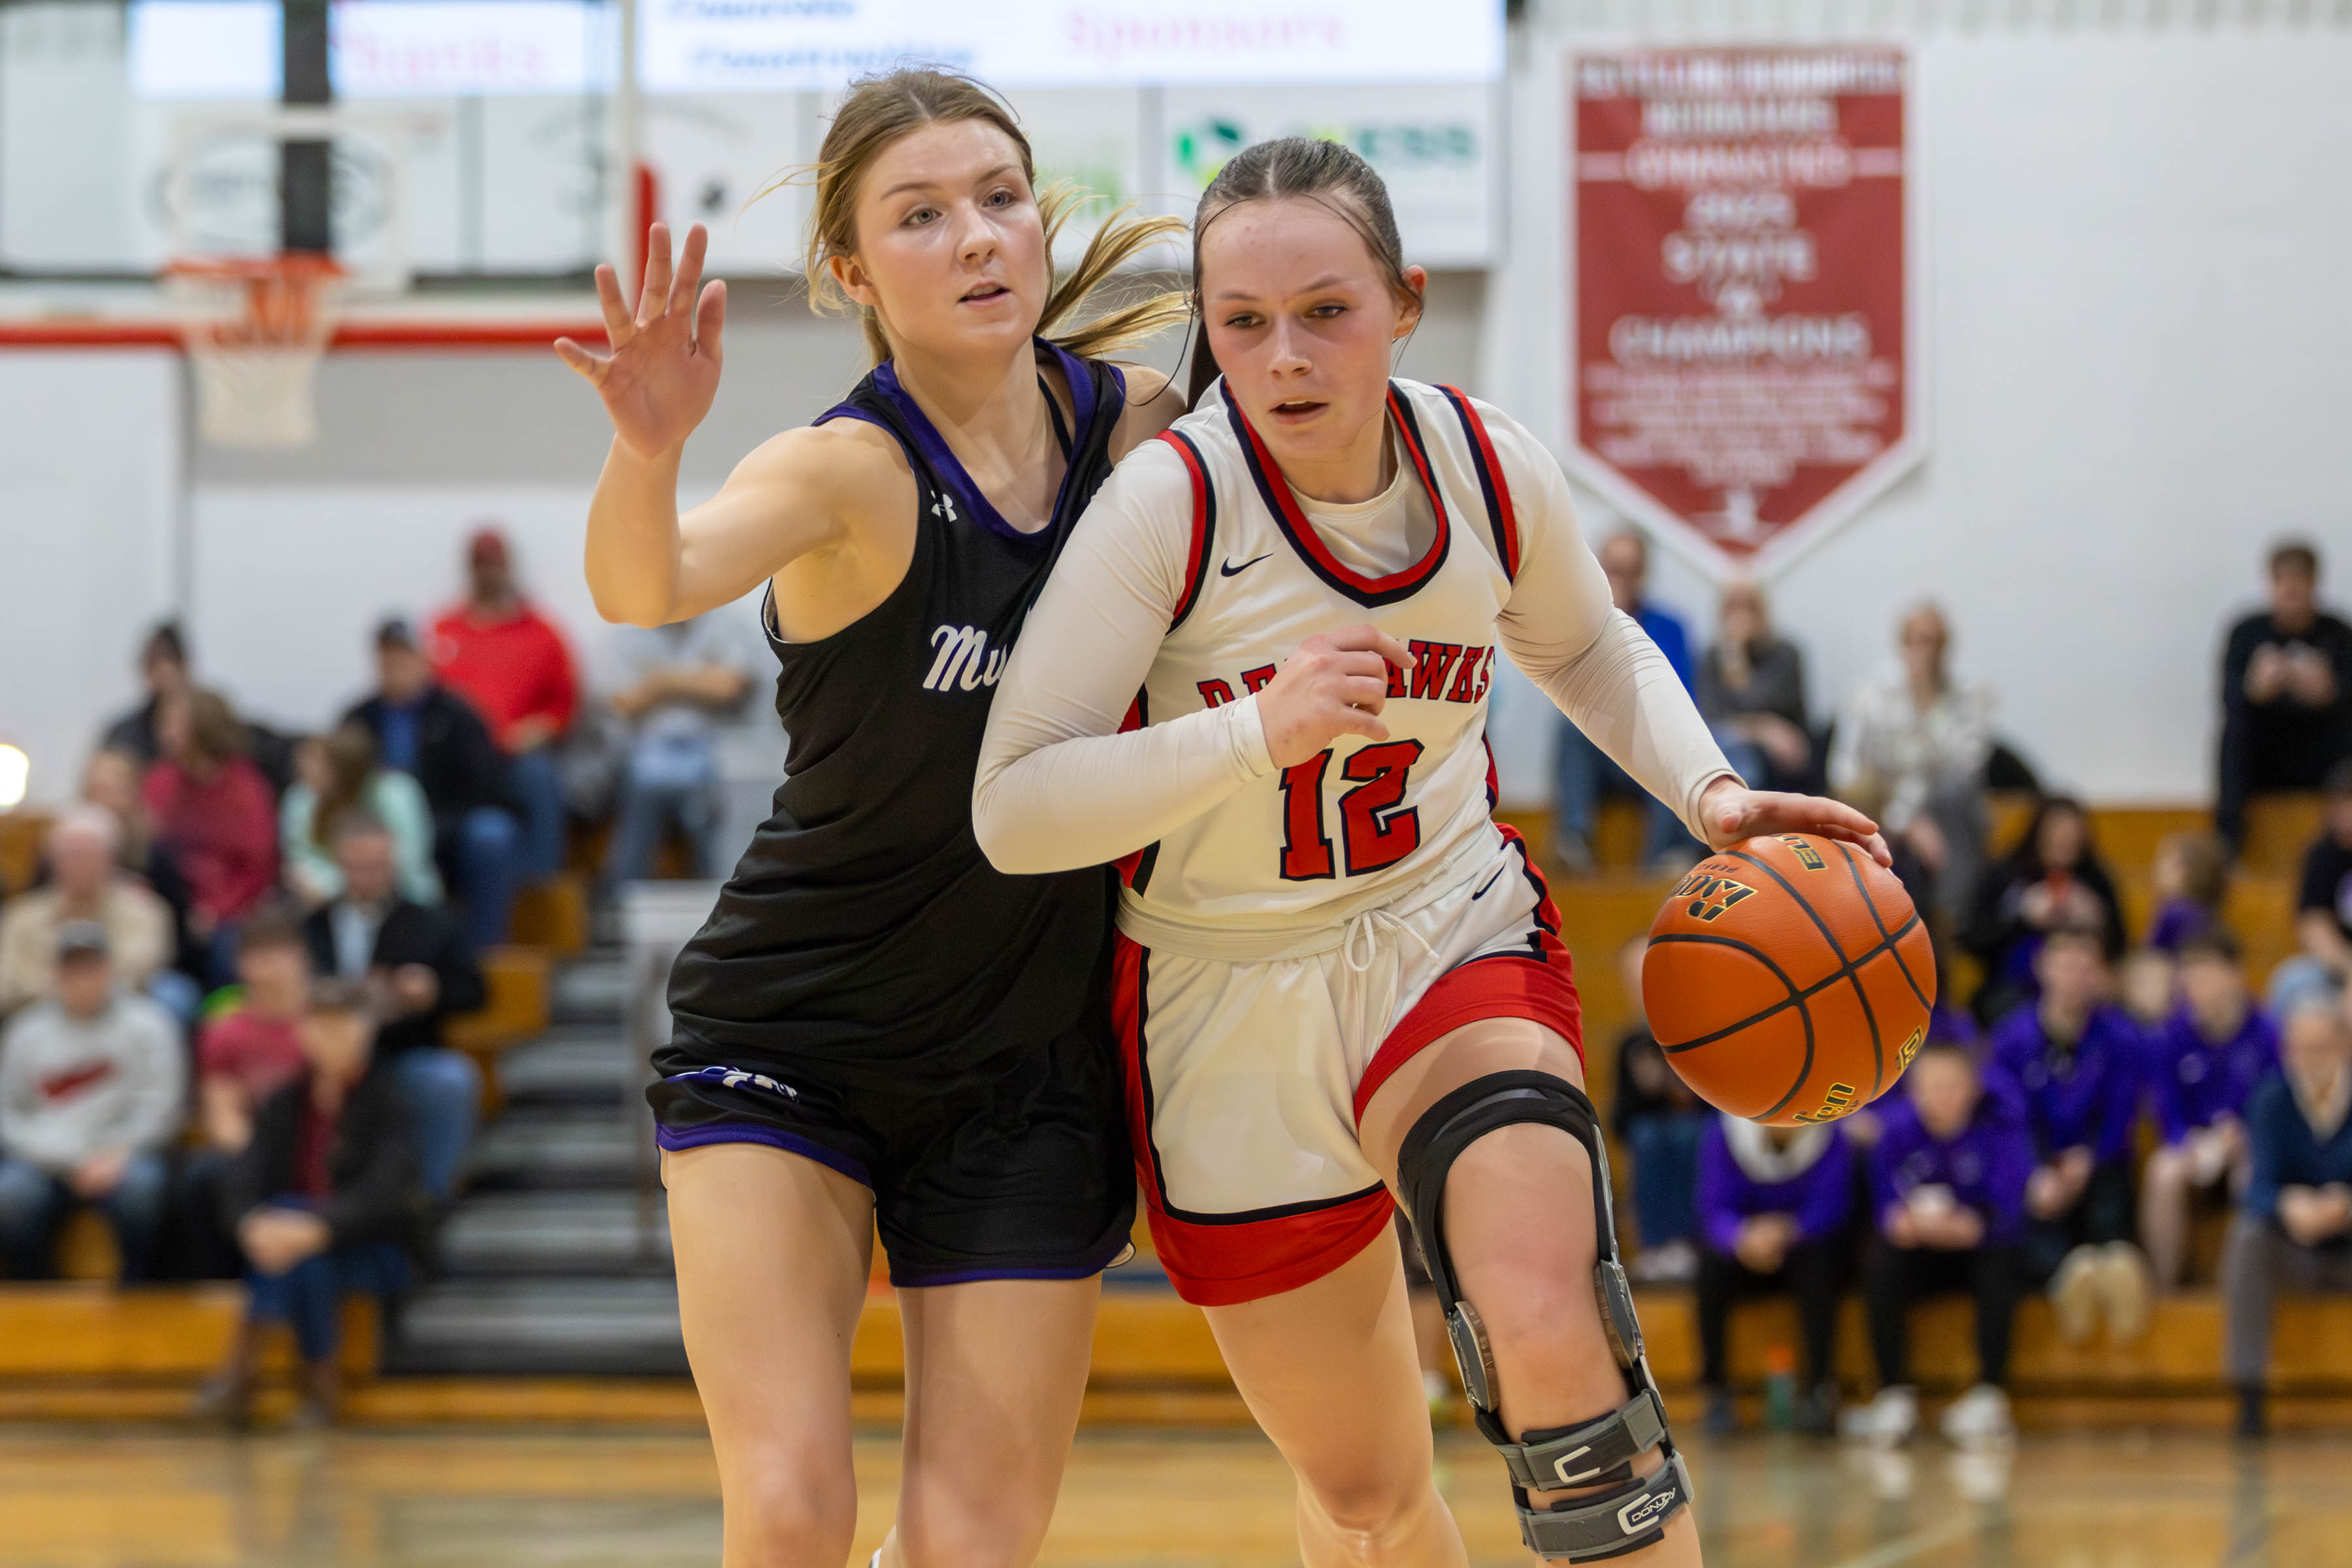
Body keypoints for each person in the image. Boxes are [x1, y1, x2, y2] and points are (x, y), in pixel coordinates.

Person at [973, 135, 1889, 1566]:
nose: (1286, 356)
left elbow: (1584, 645)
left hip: (1443, 932)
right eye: (1244, 322)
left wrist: (1707, 791)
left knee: (1551, 1329)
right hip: (1223, 998)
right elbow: (1017, 805)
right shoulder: (1171, 503)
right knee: (1364, 1497)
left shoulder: (1484, 463)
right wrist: (1253, 733)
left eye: (1326, 311)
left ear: (1404, 303)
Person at [555, 67, 1189, 1567]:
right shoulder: (845, 469)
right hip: (795, 1039)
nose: (975, 236)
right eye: (920, 215)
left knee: (971, 1545)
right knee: (790, 1514)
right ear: (851, 270)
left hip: (1026, 1066)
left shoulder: (1141, 438)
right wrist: (647, 449)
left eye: (999, 197)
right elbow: (646, 586)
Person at [201, 978, 429, 1428]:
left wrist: (316, 1228)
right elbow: (243, 1178)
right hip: (299, 1244)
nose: (332, 1039)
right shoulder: (285, 1101)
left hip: (377, 1247)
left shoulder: (390, 1099)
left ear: (365, 1032)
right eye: (321, 1027)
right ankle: (319, 1389)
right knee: (305, 1260)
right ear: (303, 1034)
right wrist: (251, 1225)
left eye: (343, 1027)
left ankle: (245, 1369)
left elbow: (388, 1196)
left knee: (302, 1248)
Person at [1844, 1038, 2033, 1449]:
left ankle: (1989, 1394)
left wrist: (1975, 1225)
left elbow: (2009, 1210)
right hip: (1920, 1254)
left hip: (1975, 1252)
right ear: (1915, 1091)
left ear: (1973, 1090)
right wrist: (1902, 1222)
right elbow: (1885, 1206)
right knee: (1879, 1261)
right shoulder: (1895, 1133)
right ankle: (1893, 1394)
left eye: (1953, 1086)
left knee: (2004, 1260)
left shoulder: (1998, 1132)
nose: (1944, 1096)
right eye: (1933, 1086)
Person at [300, 812, 485, 1202]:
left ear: (394, 864)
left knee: (449, 1079)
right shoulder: (311, 926)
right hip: (321, 1059)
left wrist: (432, 990)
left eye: (378, 866)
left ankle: (430, 1201)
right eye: (359, 866)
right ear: (339, 864)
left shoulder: (431, 922)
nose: (369, 877)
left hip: (399, 1053)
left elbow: (475, 991)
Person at [1985, 928, 2152, 1344]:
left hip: (2097, 1165)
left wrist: (2089, 1158)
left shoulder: (2121, 1036)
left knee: (2110, 1191)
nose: (2076, 975)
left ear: (2100, 974)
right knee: (2021, 1203)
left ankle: (2110, 1266)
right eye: (2066, 963)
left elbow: (2121, 1114)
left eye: (2086, 965)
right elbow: (2007, 1119)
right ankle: (2067, 1276)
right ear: (2043, 968)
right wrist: (2035, 1171)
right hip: (2038, 1168)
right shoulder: (2010, 1039)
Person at [0, 923, 182, 1281]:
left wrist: (117, 1153)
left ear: (110, 970)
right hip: (45, 1160)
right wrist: (66, 1159)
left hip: (125, 1156)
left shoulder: (149, 1023)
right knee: (10, 1198)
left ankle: (137, 1287)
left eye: (92, 967)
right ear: (55, 975)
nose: (83, 979)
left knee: (143, 1190)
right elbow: (8, 1113)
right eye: (73, 969)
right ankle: (37, 1291)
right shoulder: (26, 1031)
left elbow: (163, 1106)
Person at [344, 619, 518, 951]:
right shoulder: (360, 719)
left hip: (447, 824)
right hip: (375, 828)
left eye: (403, 658)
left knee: (491, 833)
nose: (395, 669)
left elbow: (482, 786)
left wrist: (430, 828)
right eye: (387, 660)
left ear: (423, 660)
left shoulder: (457, 714)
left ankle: (484, 951)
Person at [2221, 1000, 2352, 1437]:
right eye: (2299, 1049)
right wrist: (2287, 1204)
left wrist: (2344, 1207)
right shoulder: (2270, 1100)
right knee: (2247, 1238)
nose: (2310, 1059)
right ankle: (2250, 1394)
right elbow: (2256, 1186)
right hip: (2295, 1248)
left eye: (2320, 1047)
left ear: (2343, 1046)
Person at [427, 527, 581, 887]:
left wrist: (539, 729)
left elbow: (565, 704)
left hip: (513, 757)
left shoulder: (542, 633)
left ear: (508, 566)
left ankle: (543, 884)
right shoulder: (443, 630)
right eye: (480, 563)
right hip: (459, 761)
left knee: (539, 775)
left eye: (494, 563)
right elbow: (426, 697)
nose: (488, 572)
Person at [1829, 602, 1995, 924]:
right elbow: (1844, 771)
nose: (1925, 652)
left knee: (1958, 799)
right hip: (1878, 807)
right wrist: (1904, 822)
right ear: (1902, 643)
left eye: (1933, 641)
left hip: (1939, 810)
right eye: (1916, 640)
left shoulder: (1969, 694)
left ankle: (1952, 921)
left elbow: (1964, 767)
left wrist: (1925, 705)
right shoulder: (1872, 692)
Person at [1549, 527, 1699, 877]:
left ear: (1643, 575)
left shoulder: (1670, 627)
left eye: (1629, 571)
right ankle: (1574, 841)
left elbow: (1678, 700)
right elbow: (1568, 688)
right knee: (1569, 729)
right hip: (1603, 750)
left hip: (1649, 752)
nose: (1620, 579)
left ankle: (1657, 866)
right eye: (1613, 569)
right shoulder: (1582, 622)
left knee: (1673, 746)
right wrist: (1606, 622)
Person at [1691, 1115, 1852, 1436]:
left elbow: (1832, 1206)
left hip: (1800, 1246)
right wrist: (1740, 1237)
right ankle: (1716, 1390)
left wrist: (1789, 1231)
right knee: (1709, 1268)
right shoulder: (1723, 1133)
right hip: (1745, 1249)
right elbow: (1713, 1207)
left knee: (1822, 1265)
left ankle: (1819, 1389)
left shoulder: (1830, 1136)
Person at [178, 910, 316, 1279]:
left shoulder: (323, 1024)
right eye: (258, 956)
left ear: (303, 959)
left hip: (321, 1146)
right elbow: (222, 1114)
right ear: (240, 965)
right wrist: (261, 1159)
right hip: (257, 1149)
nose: (269, 969)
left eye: (279, 954)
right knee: (203, 1176)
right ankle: (220, 1286)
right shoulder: (226, 1032)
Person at [2140, 931, 2278, 1290]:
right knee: (2162, 1173)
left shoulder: (2269, 1034)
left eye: (2204, 971)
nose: (2194, 985)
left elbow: (2277, 1105)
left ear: (2235, 974)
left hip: (2246, 1145)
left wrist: (2244, 1136)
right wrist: (2185, 1142)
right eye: (2187, 974)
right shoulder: (2170, 1036)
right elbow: (2166, 1107)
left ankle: (2240, 1290)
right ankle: (2166, 1289)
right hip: (2193, 1144)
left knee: (2253, 1175)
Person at [2215, 541, 2352, 855]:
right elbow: (2228, 699)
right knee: (2234, 732)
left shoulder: (2338, 634)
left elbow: (2345, 694)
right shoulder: (2246, 633)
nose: (2291, 595)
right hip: (2266, 756)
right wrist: (2256, 690)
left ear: (2314, 585)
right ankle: (2229, 846)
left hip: (2323, 756)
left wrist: (2325, 690)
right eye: (2284, 585)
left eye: (2299, 586)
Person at [602, 608, 755, 882]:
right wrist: (700, 678)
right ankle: (626, 892)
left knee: (716, 800)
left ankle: (721, 889)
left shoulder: (725, 624)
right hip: (648, 750)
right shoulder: (629, 631)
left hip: (712, 748)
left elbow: (730, 686)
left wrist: (661, 682)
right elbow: (624, 703)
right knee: (641, 783)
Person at [141, 688, 280, 985]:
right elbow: (147, 853)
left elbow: (258, 868)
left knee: (227, 953)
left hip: (228, 913)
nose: (164, 732)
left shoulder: (246, 789)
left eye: (173, 723)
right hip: (170, 906)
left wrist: (216, 909)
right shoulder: (160, 782)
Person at [0, 805, 179, 1018]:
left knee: (174, 993)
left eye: (89, 854)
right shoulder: (23, 915)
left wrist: (84, 988)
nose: (80, 864)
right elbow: (9, 978)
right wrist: (69, 989)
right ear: (52, 860)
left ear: (111, 858)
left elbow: (142, 967)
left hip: (121, 1014)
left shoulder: (144, 910)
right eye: (72, 854)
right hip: (38, 1016)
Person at [1961, 795, 2127, 1024]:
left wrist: (2097, 918)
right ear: (2039, 834)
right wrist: (2020, 913)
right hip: (2013, 988)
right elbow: (1972, 938)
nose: (2063, 843)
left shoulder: (2095, 879)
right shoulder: (2004, 873)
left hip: (2085, 989)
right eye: (2056, 835)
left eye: (2071, 838)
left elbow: (2121, 946)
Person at [1610, 938, 1707, 1284]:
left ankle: (1688, 1242)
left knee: (1685, 1135)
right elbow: (1620, 1122)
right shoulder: (1630, 1044)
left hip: (1695, 1130)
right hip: (1651, 1135)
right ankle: (1654, 1246)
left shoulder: (1696, 1033)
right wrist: (1646, 1090)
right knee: (1646, 1136)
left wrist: (1677, 1089)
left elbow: (1714, 1106)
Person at [281, 725, 443, 907]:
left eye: (316, 761)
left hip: (404, 900)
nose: (305, 768)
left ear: (344, 769)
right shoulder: (300, 799)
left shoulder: (397, 793)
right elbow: (300, 859)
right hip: (324, 905)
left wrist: (338, 887)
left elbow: (409, 861)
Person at [1695, 579, 1813, 794]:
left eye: (1750, 606)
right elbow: (1712, 719)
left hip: (1780, 758)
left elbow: (1765, 703)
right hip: (1730, 750)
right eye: (1733, 607)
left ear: (1764, 611)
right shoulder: (1712, 657)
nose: (1742, 616)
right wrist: (1764, 729)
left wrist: (1737, 662)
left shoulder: (1786, 654)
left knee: (1744, 759)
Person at [2270, 757, 2352, 1015]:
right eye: (2341, 804)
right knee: (2291, 981)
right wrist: (2348, 969)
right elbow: (2314, 923)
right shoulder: (2323, 854)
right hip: (2339, 967)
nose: (2345, 815)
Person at [97, 621, 192, 766]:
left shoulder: (206, 725)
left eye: (168, 659)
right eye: (153, 661)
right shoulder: (125, 733)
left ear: (183, 665)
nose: (161, 669)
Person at [2146, 829, 2229, 953]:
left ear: (2185, 870)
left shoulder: (2176, 913)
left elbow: (2152, 955)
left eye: (2165, 860)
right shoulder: (2205, 913)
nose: (2156, 868)